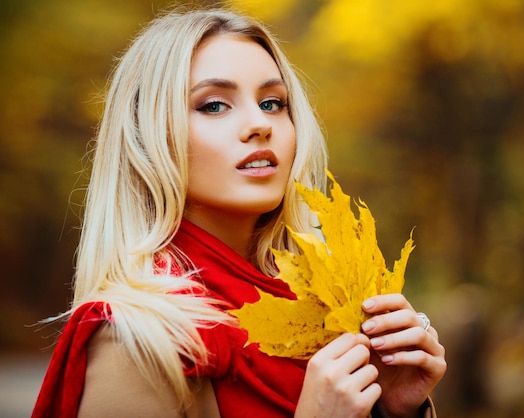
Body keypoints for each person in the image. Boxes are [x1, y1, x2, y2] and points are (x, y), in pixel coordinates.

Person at [32, 7, 446, 418]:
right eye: (214, 105)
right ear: (149, 137)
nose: (259, 124)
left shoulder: (330, 315)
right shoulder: (134, 338)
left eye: (272, 102)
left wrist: (391, 411)